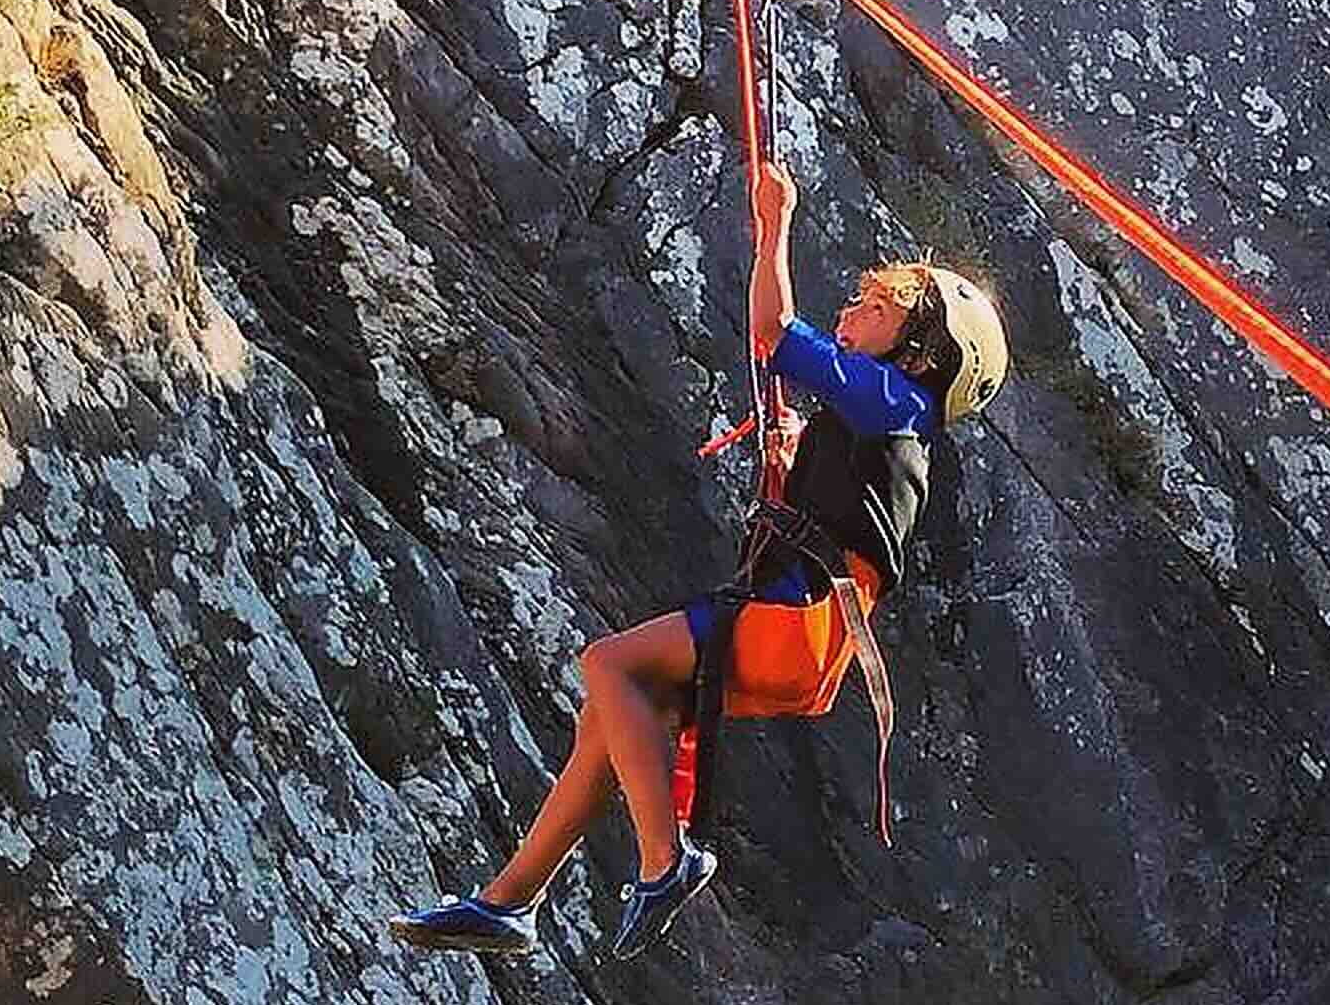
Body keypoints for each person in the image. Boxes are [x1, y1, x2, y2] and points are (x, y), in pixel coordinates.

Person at [391, 157, 1010, 960]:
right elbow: (841, 503)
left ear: (922, 354)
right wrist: (795, 453)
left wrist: (774, 223)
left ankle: (665, 860)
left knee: (609, 666)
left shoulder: (896, 400)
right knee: (609, 722)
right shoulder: (883, 417)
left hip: (798, 622)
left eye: (877, 305)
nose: (855, 308)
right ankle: (509, 900)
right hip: (805, 631)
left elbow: (774, 334)